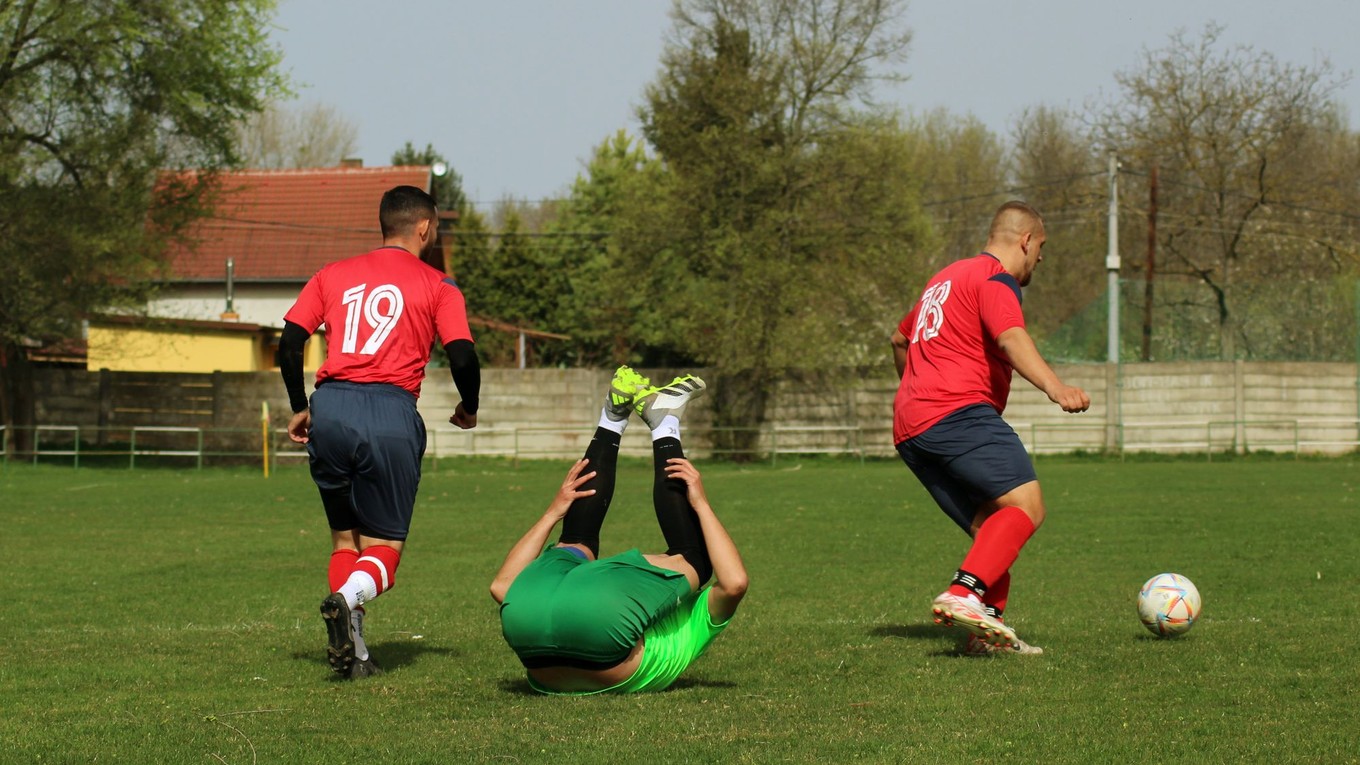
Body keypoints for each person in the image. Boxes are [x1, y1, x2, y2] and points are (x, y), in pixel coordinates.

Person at [277, 185, 480, 679]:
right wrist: (469, 406)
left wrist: (301, 406)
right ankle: (346, 601)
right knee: (385, 549)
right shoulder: (439, 285)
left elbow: (290, 342)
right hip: (389, 412)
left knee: (345, 542)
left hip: (330, 408)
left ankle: (359, 653)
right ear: (425, 227)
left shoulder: (331, 274)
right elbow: (462, 354)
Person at [890, 200, 1089, 656]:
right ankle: (962, 594)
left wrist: (918, 389)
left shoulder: (945, 278)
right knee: (1027, 506)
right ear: (1026, 240)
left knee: (991, 527)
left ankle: (986, 634)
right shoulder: (994, 279)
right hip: (957, 411)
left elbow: (900, 339)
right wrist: (1056, 387)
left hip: (912, 427)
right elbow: (1010, 336)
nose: (1041, 257)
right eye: (1041, 246)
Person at [489, 366, 748, 694]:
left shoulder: (671, 620)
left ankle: (628, 421)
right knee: (685, 555)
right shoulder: (693, 622)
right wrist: (701, 505)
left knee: (683, 558)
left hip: (576, 611)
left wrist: (554, 512)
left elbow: (503, 584)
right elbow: (502, 587)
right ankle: (636, 419)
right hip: (534, 626)